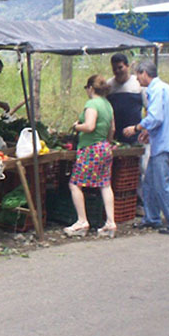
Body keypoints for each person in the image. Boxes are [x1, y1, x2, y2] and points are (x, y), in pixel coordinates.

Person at [123, 61, 169, 235]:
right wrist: (147, 131)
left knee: (163, 185)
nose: (137, 79)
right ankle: (152, 218)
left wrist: (137, 128)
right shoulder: (166, 88)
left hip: (163, 146)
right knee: (150, 183)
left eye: (137, 75)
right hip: (163, 143)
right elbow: (162, 118)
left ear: (144, 73)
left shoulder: (155, 90)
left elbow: (155, 118)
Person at [64, 75, 117, 238]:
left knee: (75, 184)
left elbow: (89, 126)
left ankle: (82, 222)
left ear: (91, 88)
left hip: (90, 149)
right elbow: (112, 129)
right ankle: (110, 223)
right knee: (105, 184)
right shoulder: (108, 105)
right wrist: (107, 142)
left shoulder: (92, 104)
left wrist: (77, 126)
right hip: (105, 148)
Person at [105, 53, 143, 144]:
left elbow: (149, 108)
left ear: (127, 66)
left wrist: (143, 129)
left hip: (134, 134)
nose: (117, 71)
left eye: (120, 67)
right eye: (114, 69)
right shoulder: (109, 85)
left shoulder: (138, 83)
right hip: (115, 135)